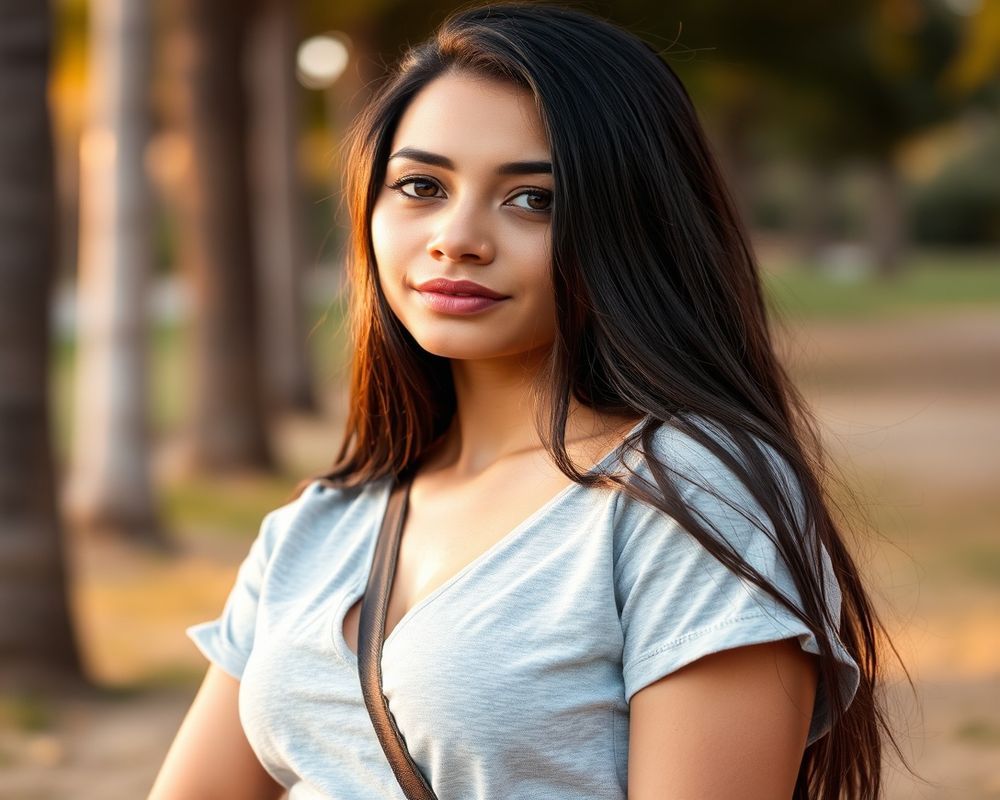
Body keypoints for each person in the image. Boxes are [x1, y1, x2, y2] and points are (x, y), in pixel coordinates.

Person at [149, 4, 908, 798]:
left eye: (533, 199)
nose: (457, 237)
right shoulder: (319, 524)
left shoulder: (688, 495)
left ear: (631, 226)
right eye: (421, 186)